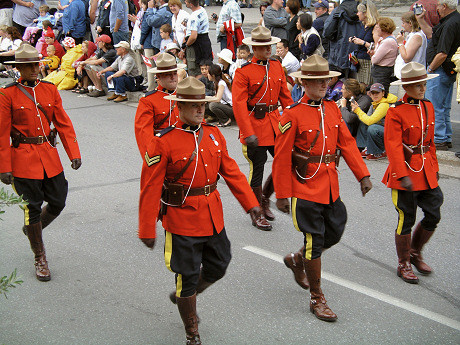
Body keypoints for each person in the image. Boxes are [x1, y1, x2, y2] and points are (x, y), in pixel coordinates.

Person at [138, 77, 262, 345]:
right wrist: (147, 228)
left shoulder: (214, 135)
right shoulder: (162, 141)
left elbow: (231, 172)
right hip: (181, 218)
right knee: (187, 275)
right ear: (179, 106)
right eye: (193, 105)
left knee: (220, 264)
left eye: (202, 105)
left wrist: (251, 204)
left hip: (211, 215)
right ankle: (191, 329)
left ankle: (187, 295)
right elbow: (149, 188)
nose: (199, 110)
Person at [273, 55, 372, 322]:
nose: (322, 85)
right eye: (315, 81)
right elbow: (282, 157)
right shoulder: (292, 114)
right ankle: (317, 297)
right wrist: (282, 194)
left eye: (325, 80)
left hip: (329, 184)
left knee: (336, 231)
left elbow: (348, 144)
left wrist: (362, 174)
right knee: (314, 241)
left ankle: (297, 259)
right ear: (304, 83)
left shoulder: (332, 109)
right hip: (304, 187)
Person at [0, 44, 81, 282]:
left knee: (58, 200)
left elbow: (63, 122)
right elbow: (2, 132)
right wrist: (4, 167)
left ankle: (32, 230)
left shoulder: (49, 89)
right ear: (18, 69)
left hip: (48, 154)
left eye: (36, 65)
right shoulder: (7, 94)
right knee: (32, 207)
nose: (34, 69)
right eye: (28, 66)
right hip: (22, 158)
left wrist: (73, 152)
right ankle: (40, 256)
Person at [383, 62, 443, 284]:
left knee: (434, 213)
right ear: (406, 87)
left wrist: (434, 168)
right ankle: (404, 262)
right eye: (417, 85)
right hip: (405, 173)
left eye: (423, 84)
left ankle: (415, 253)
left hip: (425, 170)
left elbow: (430, 142)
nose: (422, 88)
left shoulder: (428, 106)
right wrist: (402, 174)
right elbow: (393, 146)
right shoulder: (395, 111)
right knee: (405, 219)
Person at [232, 26, 293, 231]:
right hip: (254, 126)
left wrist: (295, 120)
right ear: (254, 49)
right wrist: (247, 132)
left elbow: (285, 97)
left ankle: (265, 198)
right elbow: (239, 105)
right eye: (263, 46)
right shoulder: (243, 71)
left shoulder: (276, 65)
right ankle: (256, 211)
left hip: (275, 124)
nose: (268, 48)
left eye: (269, 44)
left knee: (284, 163)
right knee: (257, 170)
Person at [417, 0, 460, 150]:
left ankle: (440, 138)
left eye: (438, 6)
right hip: (446, 69)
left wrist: (431, 69)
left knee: (435, 106)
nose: (437, 9)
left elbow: (442, 53)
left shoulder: (450, 24)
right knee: (443, 106)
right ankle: (445, 136)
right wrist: (421, 19)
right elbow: (432, 35)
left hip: (440, 69)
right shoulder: (452, 20)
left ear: (445, 6)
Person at [135, 53, 185, 156]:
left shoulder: (185, 95)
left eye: (174, 73)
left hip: (186, 150)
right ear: (158, 76)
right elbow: (144, 135)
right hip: (163, 151)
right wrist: (152, 159)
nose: (173, 77)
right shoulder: (148, 101)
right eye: (168, 74)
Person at [351, 82, 397, 159]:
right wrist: (357, 109)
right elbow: (367, 119)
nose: (375, 95)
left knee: (373, 128)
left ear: (383, 93)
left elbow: (370, 121)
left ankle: (379, 151)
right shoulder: (375, 104)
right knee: (363, 123)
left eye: (377, 93)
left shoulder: (384, 105)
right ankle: (363, 147)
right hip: (383, 130)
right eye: (373, 93)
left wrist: (357, 110)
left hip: (392, 133)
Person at [323, 0, 361, 76]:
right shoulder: (361, 11)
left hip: (339, 53)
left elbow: (327, 33)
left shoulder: (337, 11)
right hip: (357, 53)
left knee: (339, 83)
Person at [394, 12, 427, 97]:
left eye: (404, 23)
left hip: (411, 77)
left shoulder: (417, 36)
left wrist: (400, 43)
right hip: (406, 76)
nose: (402, 25)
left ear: (410, 23)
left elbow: (407, 57)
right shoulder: (412, 35)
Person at [349, 1, 379, 86]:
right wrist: (354, 39)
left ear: (365, 13)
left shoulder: (375, 27)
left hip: (368, 61)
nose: (357, 14)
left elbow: (378, 47)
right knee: (360, 86)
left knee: (367, 87)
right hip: (359, 60)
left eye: (359, 12)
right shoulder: (363, 25)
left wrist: (363, 43)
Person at [179, 0, 212, 78]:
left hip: (196, 45)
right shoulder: (202, 10)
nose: (185, 3)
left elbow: (193, 36)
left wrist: (185, 46)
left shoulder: (194, 17)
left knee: (195, 71)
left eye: (186, 2)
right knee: (205, 66)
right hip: (205, 41)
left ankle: (197, 88)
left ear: (191, 4)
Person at [370, 17, 398, 93]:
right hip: (380, 71)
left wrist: (372, 55)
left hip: (382, 71)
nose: (376, 30)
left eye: (378, 27)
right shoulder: (383, 40)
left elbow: (375, 59)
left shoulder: (388, 42)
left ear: (384, 29)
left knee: (379, 93)